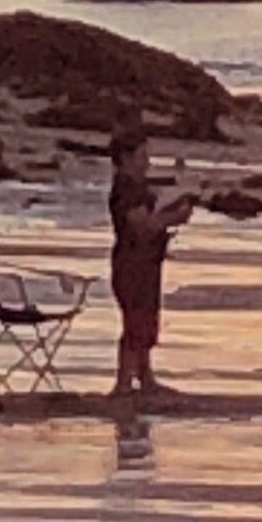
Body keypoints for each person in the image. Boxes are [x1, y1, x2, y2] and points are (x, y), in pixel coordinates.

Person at [108, 118, 195, 405]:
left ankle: (145, 379)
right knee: (135, 321)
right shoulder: (125, 189)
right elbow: (142, 225)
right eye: (142, 156)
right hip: (131, 262)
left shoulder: (137, 187)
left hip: (145, 260)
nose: (147, 162)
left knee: (145, 319)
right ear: (126, 158)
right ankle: (123, 384)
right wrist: (174, 217)